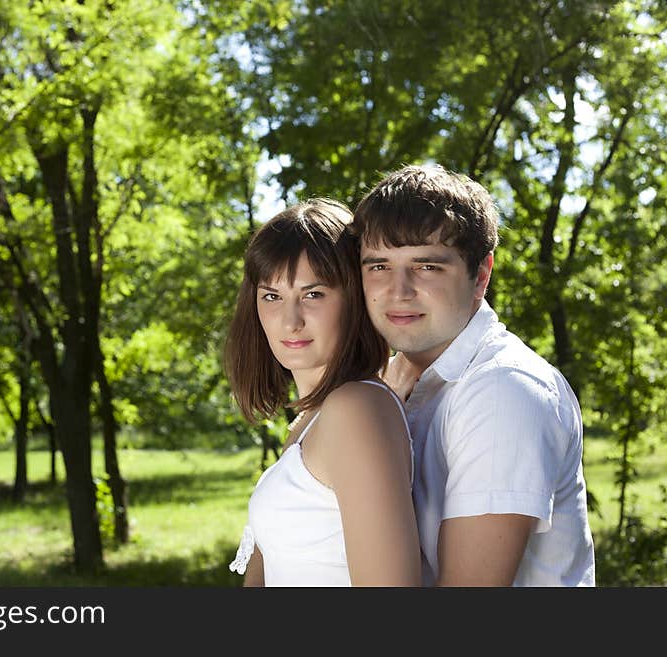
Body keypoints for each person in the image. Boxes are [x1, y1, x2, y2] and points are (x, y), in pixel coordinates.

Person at [352, 164, 595, 586]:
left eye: (426, 267)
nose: (398, 290)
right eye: (379, 266)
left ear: (480, 275)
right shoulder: (404, 379)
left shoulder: (502, 391)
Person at [225, 198, 420, 587]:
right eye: (272, 296)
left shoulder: (356, 408)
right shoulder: (309, 421)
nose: (290, 320)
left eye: (313, 294)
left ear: (355, 298)